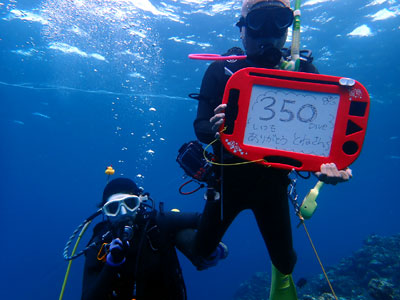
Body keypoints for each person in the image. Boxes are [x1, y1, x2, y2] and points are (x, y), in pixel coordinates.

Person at [188, 0, 353, 298]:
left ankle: (281, 277)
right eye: (256, 23)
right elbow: (200, 126)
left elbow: (315, 138)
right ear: (241, 31)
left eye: (279, 22)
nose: (268, 34)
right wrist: (216, 127)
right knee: (201, 254)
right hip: (227, 185)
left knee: (285, 262)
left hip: (273, 184)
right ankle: (182, 222)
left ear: (289, 29)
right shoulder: (221, 70)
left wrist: (327, 169)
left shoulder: (303, 70)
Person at [81, 177, 227, 300]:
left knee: (179, 231)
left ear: (139, 203)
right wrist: (112, 264)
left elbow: (205, 220)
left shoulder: (158, 223)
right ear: (105, 212)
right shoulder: (100, 243)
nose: (123, 212)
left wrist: (208, 243)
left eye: (130, 203)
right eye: (113, 208)